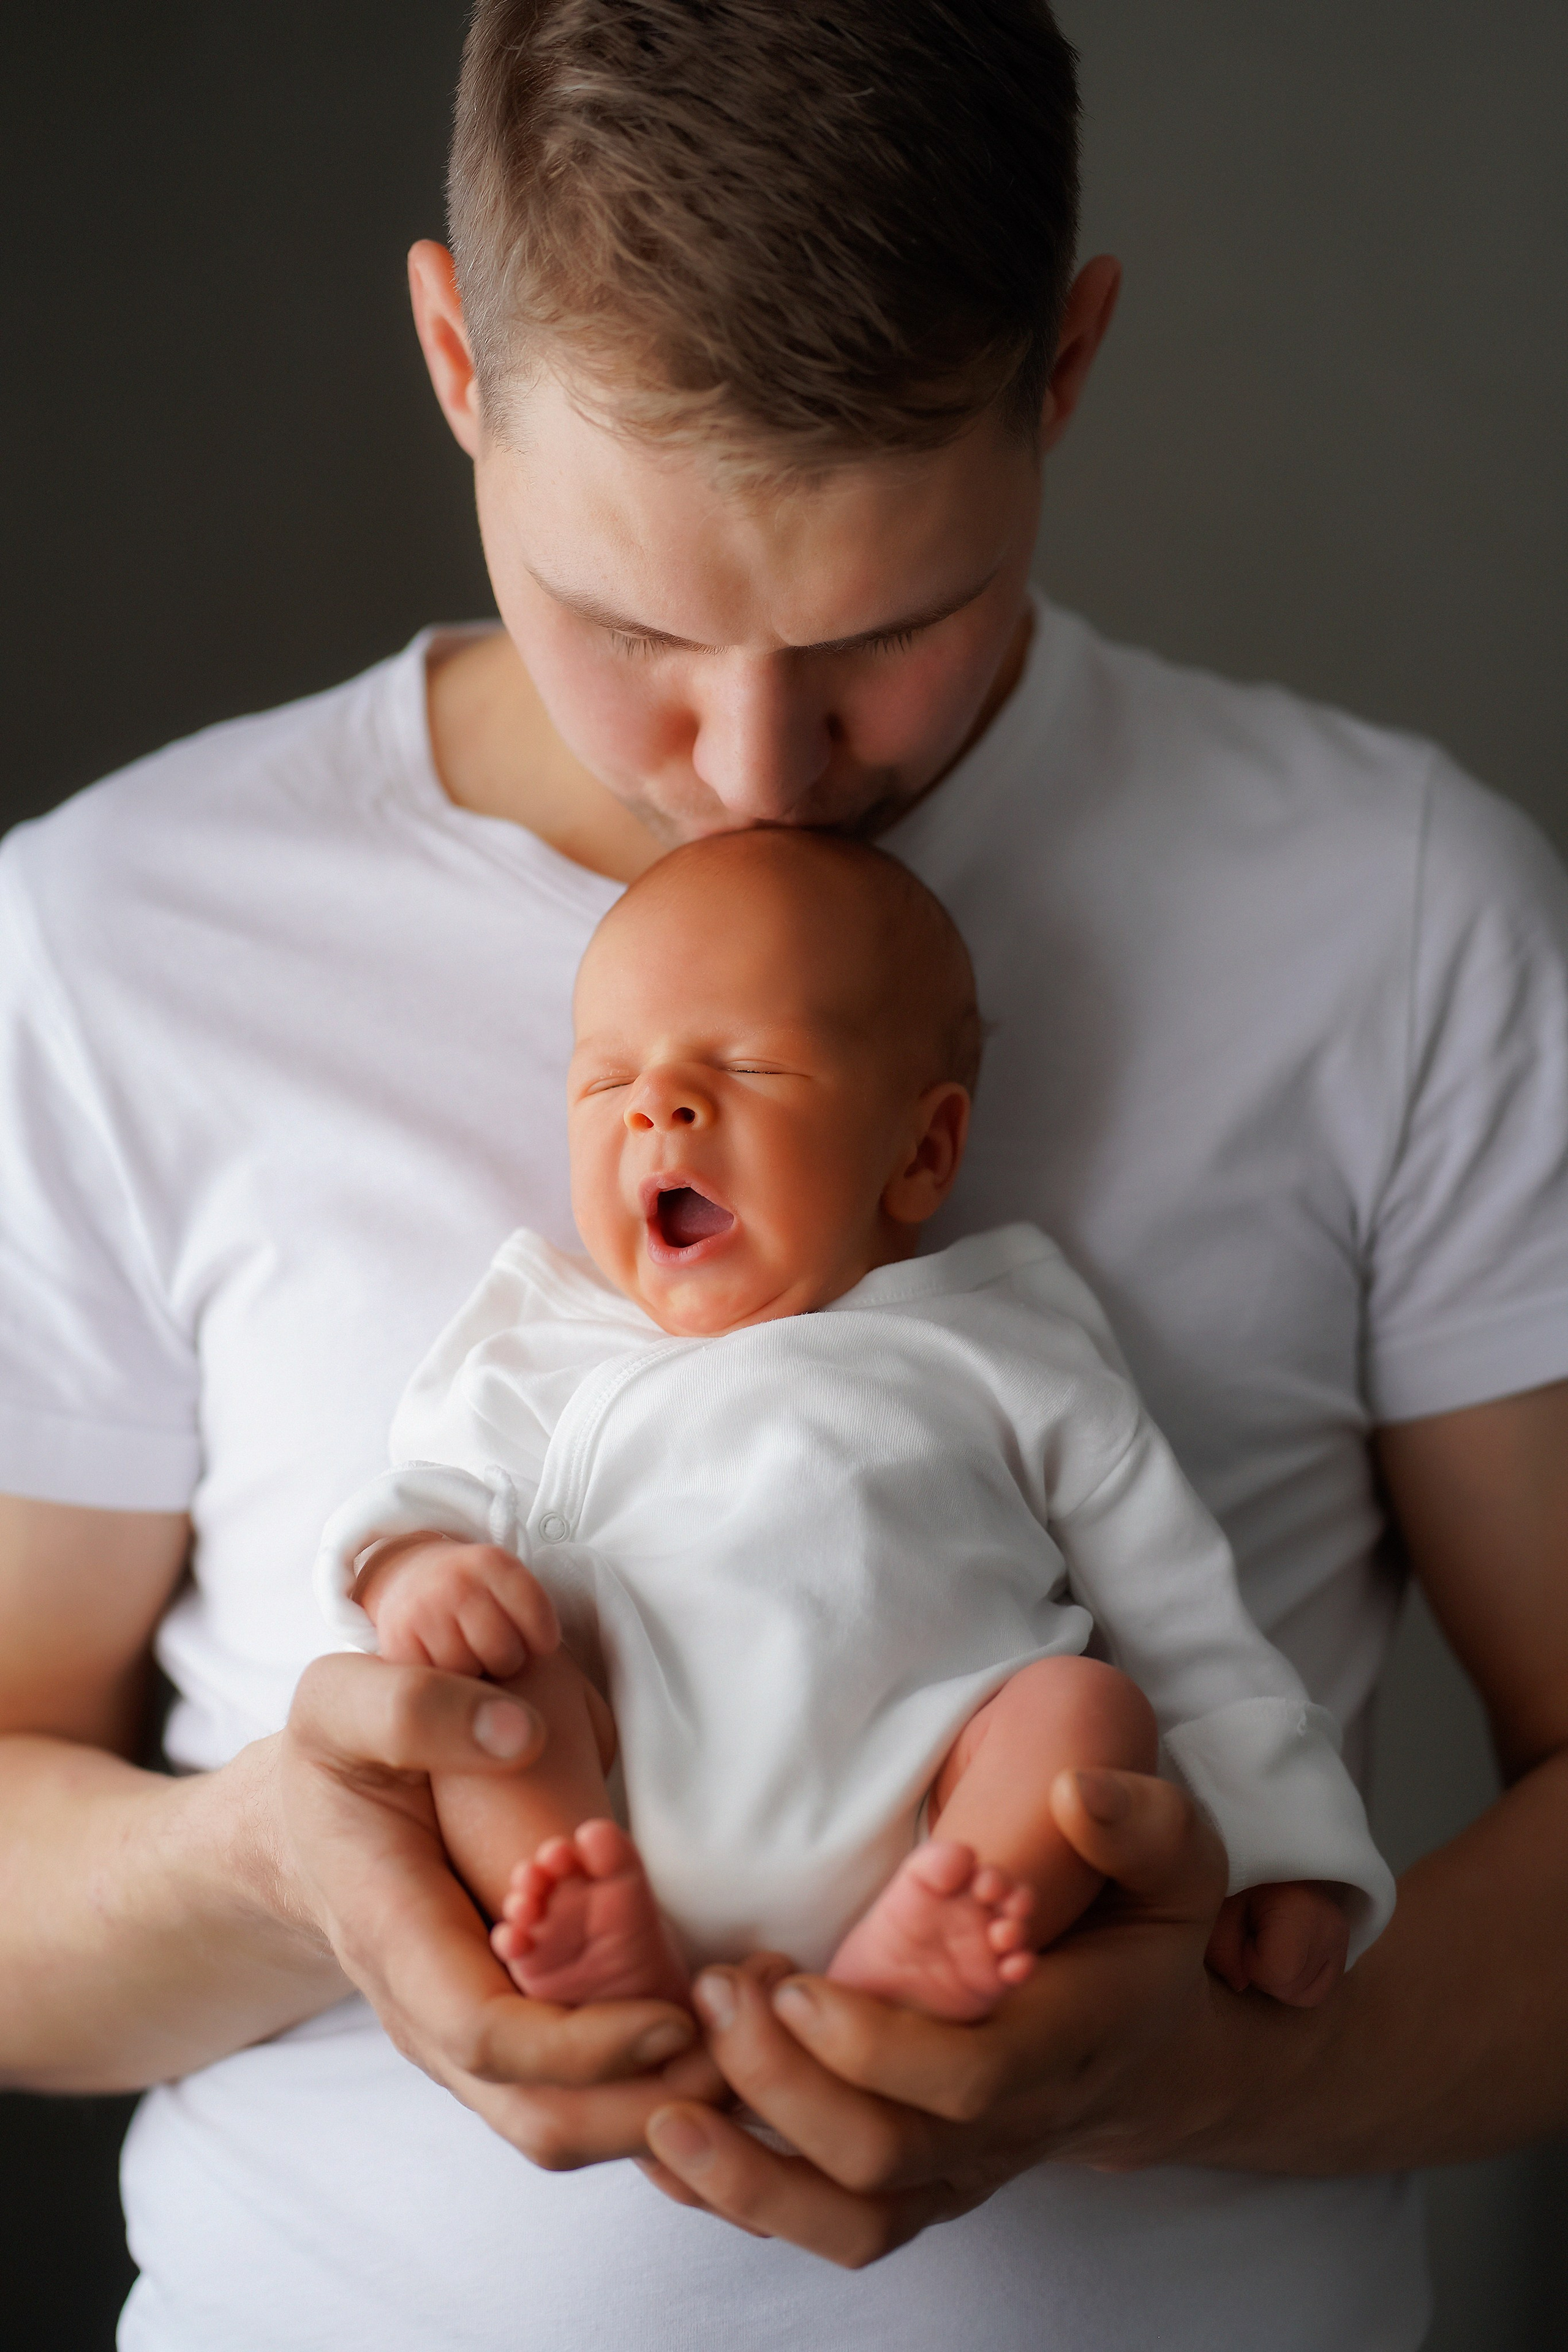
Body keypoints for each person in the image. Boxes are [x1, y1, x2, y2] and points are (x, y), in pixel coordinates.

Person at [0, 2, 1564, 2347]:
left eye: (887, 626)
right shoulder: (108, 938)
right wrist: (288, 1870)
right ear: (453, 355)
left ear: (1069, 366)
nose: (750, 763)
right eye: (629, 623)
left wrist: (1200, 2073)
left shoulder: (1405, 909)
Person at [316, 829, 1389, 2022]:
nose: (659, 1106)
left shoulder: (1007, 1343)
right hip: (617, 1797)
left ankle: (935, 1930)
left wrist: (1277, 1848)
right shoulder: (545, 1335)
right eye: (609, 1081)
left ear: (922, 1150)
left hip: (928, 1806)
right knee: (489, 1699)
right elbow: (427, 1491)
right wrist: (414, 1570)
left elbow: (1185, 1621)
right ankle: (569, 1915)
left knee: (1090, 1713)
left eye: (749, 1067)